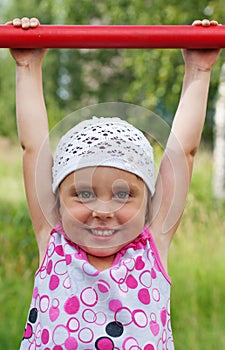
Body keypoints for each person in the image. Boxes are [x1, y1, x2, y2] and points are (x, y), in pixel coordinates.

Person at [9, 17, 221, 350]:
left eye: (123, 194)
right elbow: (33, 146)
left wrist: (199, 69)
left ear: (150, 203)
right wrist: (27, 65)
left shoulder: (152, 248)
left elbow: (184, 154)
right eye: (83, 194)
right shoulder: (53, 242)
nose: (103, 210)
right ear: (57, 201)